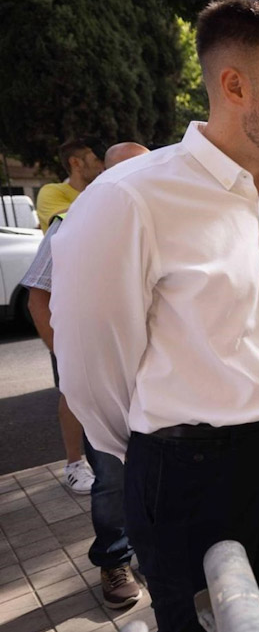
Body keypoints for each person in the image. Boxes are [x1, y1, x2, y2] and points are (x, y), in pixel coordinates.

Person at [50, 0, 259, 632]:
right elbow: (91, 367)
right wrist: (159, 448)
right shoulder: (129, 200)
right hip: (189, 469)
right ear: (234, 87)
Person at [21, 142, 149, 608]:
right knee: (111, 476)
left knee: (154, 471)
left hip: (157, 382)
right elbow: (39, 297)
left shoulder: (159, 218)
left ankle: (151, 552)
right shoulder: (71, 222)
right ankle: (114, 559)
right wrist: (72, 361)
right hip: (105, 381)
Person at [28, 139, 106, 493]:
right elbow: (73, 221)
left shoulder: (107, 191)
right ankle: (74, 463)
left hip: (100, 304)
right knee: (72, 390)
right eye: (94, 159)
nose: (100, 165)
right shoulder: (52, 195)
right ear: (76, 162)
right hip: (66, 309)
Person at [34, 138, 105, 232]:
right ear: (76, 163)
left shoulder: (104, 192)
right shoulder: (52, 191)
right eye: (98, 160)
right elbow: (68, 222)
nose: (104, 165)